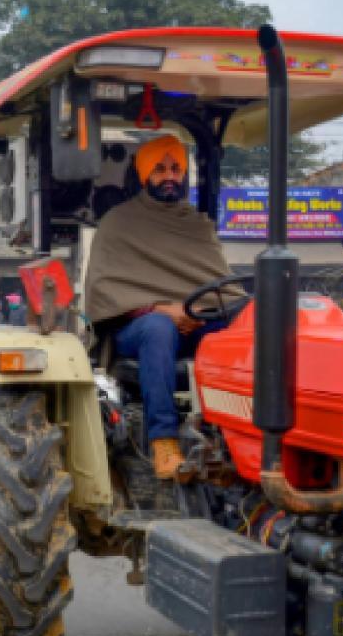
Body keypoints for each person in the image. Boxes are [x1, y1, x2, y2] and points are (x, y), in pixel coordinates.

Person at [86, 134, 238, 480]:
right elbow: (107, 292)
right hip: (137, 329)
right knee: (159, 328)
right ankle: (164, 441)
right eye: (159, 169)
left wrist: (199, 313)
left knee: (244, 326)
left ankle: (233, 431)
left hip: (197, 322)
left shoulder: (197, 224)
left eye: (175, 169)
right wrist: (162, 309)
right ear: (143, 175)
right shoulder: (118, 223)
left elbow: (221, 288)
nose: (169, 177)